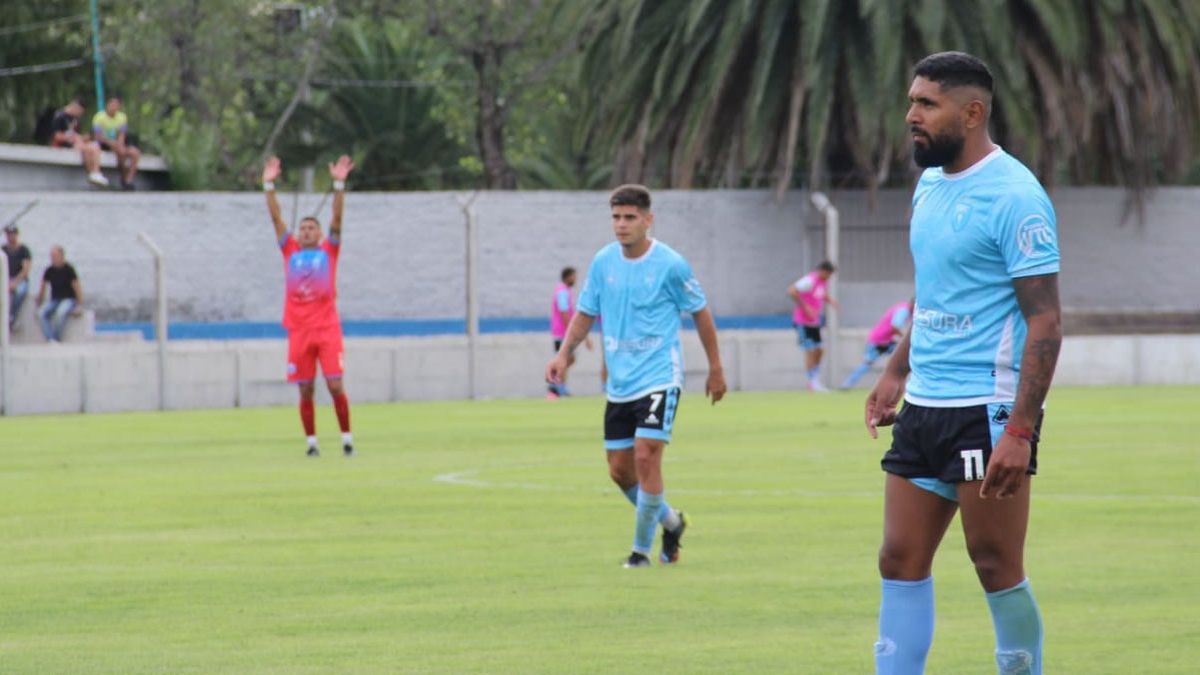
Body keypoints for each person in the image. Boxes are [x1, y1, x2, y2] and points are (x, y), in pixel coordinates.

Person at [865, 52, 1061, 675]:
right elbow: (938, 287)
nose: (910, 116)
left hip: (986, 408)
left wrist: (1020, 431)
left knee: (994, 564)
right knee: (898, 558)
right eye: (912, 101)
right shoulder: (930, 184)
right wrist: (897, 369)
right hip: (924, 403)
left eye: (926, 104)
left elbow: (1046, 321)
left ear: (972, 112)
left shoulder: (1016, 197)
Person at [546, 184, 727, 568]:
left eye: (629, 217)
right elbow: (584, 315)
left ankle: (640, 553)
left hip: (660, 376)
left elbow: (701, 313)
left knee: (646, 457)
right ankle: (672, 522)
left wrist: (716, 368)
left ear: (648, 219)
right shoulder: (603, 263)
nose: (621, 225)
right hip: (620, 383)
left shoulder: (671, 264)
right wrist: (563, 355)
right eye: (616, 217)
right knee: (619, 470)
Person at [263, 155, 357, 458]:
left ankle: (346, 437)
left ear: (319, 235)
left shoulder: (329, 252)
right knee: (305, 389)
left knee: (335, 384)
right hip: (299, 331)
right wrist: (268, 185)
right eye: (302, 228)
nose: (305, 231)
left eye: (311, 228)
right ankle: (312, 443)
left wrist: (339, 184)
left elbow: (337, 219)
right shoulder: (289, 251)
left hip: (327, 329)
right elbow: (276, 219)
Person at [841, 299, 914, 389]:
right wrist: (905, 339)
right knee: (867, 363)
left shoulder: (903, 308)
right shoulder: (904, 310)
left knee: (907, 358)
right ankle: (847, 384)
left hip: (887, 341)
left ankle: (847, 384)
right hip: (878, 341)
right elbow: (895, 326)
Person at [788, 260, 838, 391]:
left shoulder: (822, 282)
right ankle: (812, 382)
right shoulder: (809, 280)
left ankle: (815, 379)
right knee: (810, 350)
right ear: (823, 271)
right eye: (829, 275)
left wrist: (830, 300)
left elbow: (821, 293)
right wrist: (805, 307)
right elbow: (792, 290)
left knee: (819, 350)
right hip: (802, 322)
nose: (829, 278)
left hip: (814, 322)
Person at [547, 266, 591, 399]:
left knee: (568, 359)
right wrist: (571, 330)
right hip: (561, 333)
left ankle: (558, 387)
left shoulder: (565, 291)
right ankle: (555, 388)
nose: (576, 279)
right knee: (564, 359)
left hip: (562, 332)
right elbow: (564, 311)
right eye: (574, 276)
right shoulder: (562, 291)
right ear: (567, 277)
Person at [50, 99, 108, 187]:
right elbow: (56, 136)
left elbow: (75, 134)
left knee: (94, 146)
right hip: (63, 144)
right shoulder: (59, 117)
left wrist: (84, 137)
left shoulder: (75, 119)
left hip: (76, 143)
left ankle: (95, 173)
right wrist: (74, 138)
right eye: (80, 112)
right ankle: (94, 173)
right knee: (90, 148)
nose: (80, 114)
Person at [35, 245, 84, 342]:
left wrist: (80, 305)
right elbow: (43, 287)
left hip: (69, 299)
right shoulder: (49, 270)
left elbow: (77, 287)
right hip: (55, 299)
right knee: (41, 314)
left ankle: (56, 338)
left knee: (60, 313)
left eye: (55, 256)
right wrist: (39, 301)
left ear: (62, 256)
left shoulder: (69, 269)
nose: (53, 258)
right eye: (52, 256)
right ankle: (50, 339)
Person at [92, 96, 141, 190]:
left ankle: (128, 179)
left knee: (135, 153)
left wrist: (119, 144)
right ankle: (123, 175)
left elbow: (122, 135)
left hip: (118, 143)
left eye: (116, 106)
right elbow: (98, 136)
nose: (114, 108)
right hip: (104, 143)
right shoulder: (99, 117)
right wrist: (112, 143)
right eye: (112, 105)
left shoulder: (122, 117)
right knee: (120, 152)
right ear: (107, 105)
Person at [3, 224, 32, 330]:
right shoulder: (3, 250)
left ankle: (12, 317)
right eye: (8, 234)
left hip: (20, 280)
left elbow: (25, 270)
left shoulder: (24, 250)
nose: (10, 237)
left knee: (19, 293)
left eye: (12, 234)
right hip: (5, 280)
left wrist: (15, 282)